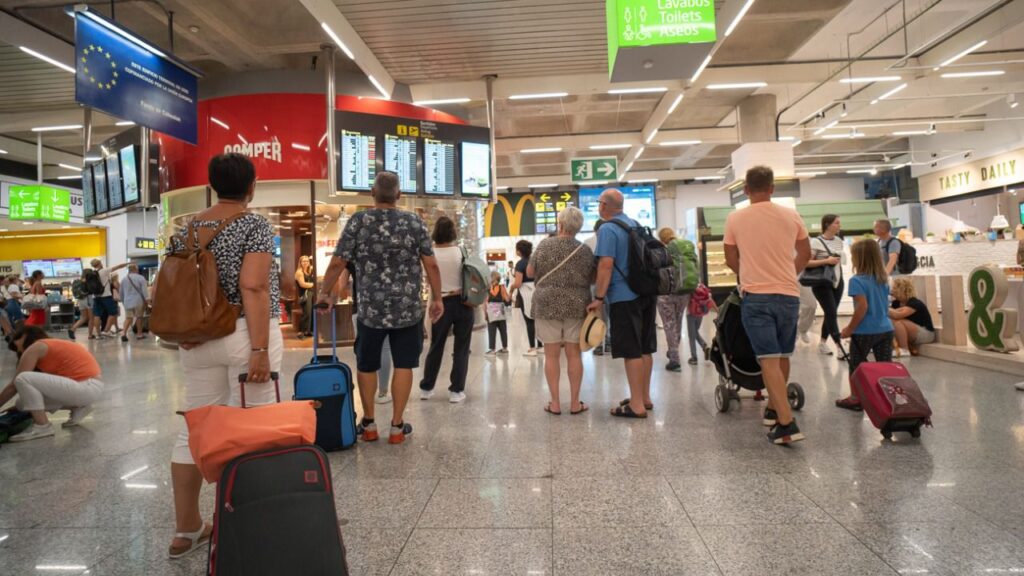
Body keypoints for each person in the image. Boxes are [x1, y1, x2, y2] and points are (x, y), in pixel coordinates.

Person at [164, 153, 283, 559]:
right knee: (257, 423)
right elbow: (253, 287)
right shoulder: (254, 224)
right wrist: (260, 349)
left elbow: (173, 288)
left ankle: (186, 529)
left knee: (195, 426)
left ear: (212, 185)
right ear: (252, 186)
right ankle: (255, 521)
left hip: (197, 340)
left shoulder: (186, 229)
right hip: (243, 333)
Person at [317, 171, 443, 445]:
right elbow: (430, 263)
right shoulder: (413, 222)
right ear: (399, 195)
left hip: (370, 310)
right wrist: (437, 298)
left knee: (367, 364)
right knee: (404, 364)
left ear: (372, 194)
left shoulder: (358, 221)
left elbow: (338, 262)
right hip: (407, 309)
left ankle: (370, 424)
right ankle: (397, 427)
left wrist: (325, 293)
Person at [723, 166, 811, 444]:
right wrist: (787, 272)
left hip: (756, 296)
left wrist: (749, 273)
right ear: (772, 188)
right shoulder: (791, 215)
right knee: (783, 356)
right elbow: (806, 253)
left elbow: (729, 258)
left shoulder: (735, 218)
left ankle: (787, 424)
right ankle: (774, 409)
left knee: (768, 360)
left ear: (746, 189)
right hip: (788, 295)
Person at [587, 189, 657, 419]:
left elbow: (606, 265)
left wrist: (598, 297)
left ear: (604, 205)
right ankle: (644, 397)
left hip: (624, 296)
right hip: (646, 293)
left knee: (631, 350)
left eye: (599, 203)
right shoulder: (634, 224)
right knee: (645, 347)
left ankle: (636, 405)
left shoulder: (608, 229)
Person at [530, 206, 595, 415]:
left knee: (551, 355)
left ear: (560, 224)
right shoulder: (584, 250)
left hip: (546, 304)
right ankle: (575, 403)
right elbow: (592, 278)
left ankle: (555, 403)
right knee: (574, 354)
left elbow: (530, 271)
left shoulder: (544, 245)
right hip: (576, 305)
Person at [0, 325, 103, 442]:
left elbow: (13, 386)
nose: (20, 351)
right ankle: (79, 407)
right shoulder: (51, 346)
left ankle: (43, 427)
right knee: (21, 404)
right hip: (88, 388)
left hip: (85, 386)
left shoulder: (36, 346)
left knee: (23, 378)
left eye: (19, 344)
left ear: (28, 336)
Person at [419, 216, 474, 404]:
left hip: (439, 302)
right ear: (453, 232)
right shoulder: (461, 251)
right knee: (462, 348)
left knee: (436, 346)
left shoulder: (429, 254)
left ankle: (427, 387)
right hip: (463, 302)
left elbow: (427, 279)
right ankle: (456, 391)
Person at [837, 239, 895, 410]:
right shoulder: (883, 278)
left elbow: (862, 307)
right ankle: (889, 396)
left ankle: (856, 398)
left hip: (864, 331)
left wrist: (849, 329)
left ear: (859, 258)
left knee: (856, 365)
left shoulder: (856, 281)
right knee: (886, 365)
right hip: (886, 328)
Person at [337, 266, 394, 404]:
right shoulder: (389, 250)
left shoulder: (355, 254)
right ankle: (382, 393)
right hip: (385, 308)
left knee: (364, 350)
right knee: (385, 349)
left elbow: (342, 286)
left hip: (361, 309)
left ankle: (367, 394)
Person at [806, 214, 847, 358]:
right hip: (821, 282)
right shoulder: (815, 242)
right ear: (828, 225)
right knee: (831, 313)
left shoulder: (839, 241)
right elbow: (806, 263)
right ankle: (839, 346)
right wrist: (826, 261)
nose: (839, 226)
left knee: (831, 313)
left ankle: (822, 342)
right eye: (836, 223)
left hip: (838, 281)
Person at [655, 227, 692, 372]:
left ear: (661, 238)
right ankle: (673, 351)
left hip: (666, 293)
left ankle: (674, 359)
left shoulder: (663, 250)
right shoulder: (684, 247)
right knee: (677, 321)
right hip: (684, 291)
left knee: (669, 324)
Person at [510, 239, 542, 356]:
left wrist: (512, 287)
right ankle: (540, 346)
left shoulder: (520, 264)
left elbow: (518, 283)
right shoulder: (535, 261)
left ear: (519, 251)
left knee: (529, 320)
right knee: (538, 319)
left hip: (526, 293)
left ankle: (532, 348)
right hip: (538, 290)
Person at [889, 278, 935, 356]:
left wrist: (881, 305)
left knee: (898, 321)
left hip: (926, 334)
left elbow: (897, 315)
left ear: (902, 289)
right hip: (912, 331)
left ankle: (904, 349)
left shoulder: (915, 303)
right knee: (890, 321)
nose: (892, 291)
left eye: (894, 288)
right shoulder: (896, 303)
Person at [90, 259, 128, 337]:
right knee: (113, 311)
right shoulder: (104, 271)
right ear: (100, 263)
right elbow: (118, 266)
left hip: (95, 296)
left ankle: (98, 334)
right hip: (106, 295)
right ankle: (106, 330)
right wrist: (128, 263)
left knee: (97, 315)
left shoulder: (92, 274)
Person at [686, 282, 718, 365]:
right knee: (695, 332)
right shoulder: (702, 287)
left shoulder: (689, 287)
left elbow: (685, 300)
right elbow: (710, 300)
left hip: (691, 314)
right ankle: (704, 346)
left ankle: (694, 357)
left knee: (692, 336)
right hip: (700, 313)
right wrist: (717, 310)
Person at [119, 265, 150, 342]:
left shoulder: (124, 279)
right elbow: (145, 291)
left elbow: (121, 293)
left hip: (127, 301)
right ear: (136, 269)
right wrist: (147, 300)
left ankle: (123, 333)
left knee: (128, 318)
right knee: (139, 317)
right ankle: (139, 334)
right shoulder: (141, 278)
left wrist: (123, 301)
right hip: (138, 301)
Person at [485, 271, 511, 355]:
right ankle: (505, 348)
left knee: (491, 330)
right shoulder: (502, 287)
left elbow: (485, 302)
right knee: (503, 330)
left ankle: (492, 350)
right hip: (501, 312)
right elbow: (507, 299)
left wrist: (486, 314)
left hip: (491, 313)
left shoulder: (488, 289)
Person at [69, 270, 98, 340]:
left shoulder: (78, 281)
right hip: (88, 299)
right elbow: (92, 290)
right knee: (91, 318)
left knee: (83, 317)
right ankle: (90, 335)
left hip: (80, 300)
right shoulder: (88, 281)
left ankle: (72, 329)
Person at [294, 255, 315, 340]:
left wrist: (312, 258)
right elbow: (302, 284)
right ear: (300, 262)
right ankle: (300, 332)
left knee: (310, 313)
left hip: (310, 293)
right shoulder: (299, 272)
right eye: (304, 261)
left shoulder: (308, 270)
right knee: (306, 313)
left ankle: (308, 331)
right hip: (304, 295)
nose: (306, 262)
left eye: (307, 261)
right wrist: (313, 285)